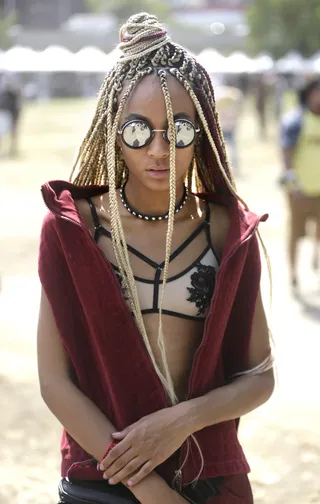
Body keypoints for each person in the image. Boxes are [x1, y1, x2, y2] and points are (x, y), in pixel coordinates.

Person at [37, 13, 275, 504]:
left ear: (204, 132)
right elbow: (55, 383)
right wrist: (146, 486)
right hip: (100, 477)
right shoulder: (72, 231)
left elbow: (259, 378)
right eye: (139, 131)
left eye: (180, 130)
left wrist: (179, 422)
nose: (161, 149)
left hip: (209, 478)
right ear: (112, 129)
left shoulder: (230, 232)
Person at [280, 78, 320, 291]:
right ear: (310, 93)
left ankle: (316, 260)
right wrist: (294, 184)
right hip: (300, 192)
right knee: (296, 233)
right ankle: (293, 273)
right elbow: (286, 153)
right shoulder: (296, 121)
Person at [215, 85, 243, 177]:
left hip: (227, 129)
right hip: (225, 129)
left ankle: (231, 168)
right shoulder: (225, 107)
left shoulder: (228, 107)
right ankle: (226, 168)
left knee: (230, 150)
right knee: (228, 149)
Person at [0, 74, 22, 156]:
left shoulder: (13, 94)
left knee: (13, 133)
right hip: (5, 114)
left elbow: (16, 107)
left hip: (12, 114)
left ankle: (12, 150)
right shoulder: (4, 94)